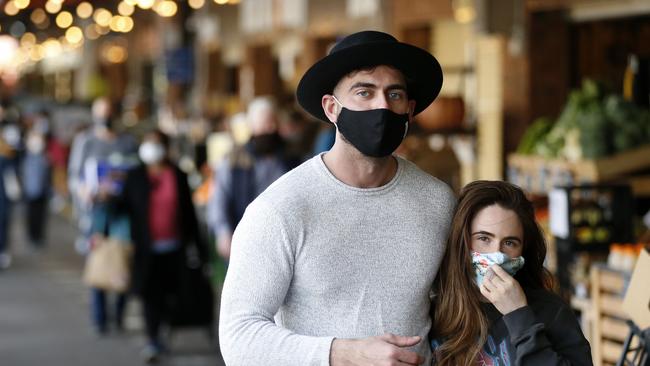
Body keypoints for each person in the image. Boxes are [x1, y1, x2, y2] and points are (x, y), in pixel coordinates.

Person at [219, 30, 455, 365]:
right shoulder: (281, 209)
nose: (382, 106)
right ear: (332, 108)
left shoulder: (437, 202)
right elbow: (238, 337)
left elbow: (453, 310)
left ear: (410, 110)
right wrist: (344, 353)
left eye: (395, 94)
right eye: (364, 92)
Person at [430, 180, 592, 365]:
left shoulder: (551, 311)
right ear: (461, 241)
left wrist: (519, 316)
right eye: (484, 238)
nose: (496, 255)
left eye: (509, 243)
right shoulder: (433, 312)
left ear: (523, 250)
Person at [118, 130, 205, 363]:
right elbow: (122, 207)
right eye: (148, 143)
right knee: (149, 296)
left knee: (171, 295)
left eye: (157, 144)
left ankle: (164, 331)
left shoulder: (177, 175)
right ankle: (152, 340)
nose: (152, 148)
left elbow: (189, 214)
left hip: (174, 248)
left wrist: (199, 249)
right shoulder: (135, 176)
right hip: (145, 249)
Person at [207, 96, 291, 260]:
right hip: (245, 239)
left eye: (273, 123)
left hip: (284, 240)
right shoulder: (234, 159)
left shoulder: (291, 157)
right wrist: (223, 232)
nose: (270, 128)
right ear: (252, 126)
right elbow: (219, 198)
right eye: (265, 123)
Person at [20, 129, 52, 249]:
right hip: (29, 193)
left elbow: (48, 176)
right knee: (30, 216)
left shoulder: (45, 157)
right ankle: (32, 237)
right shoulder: (24, 157)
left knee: (41, 216)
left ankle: (39, 237)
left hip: (43, 192)